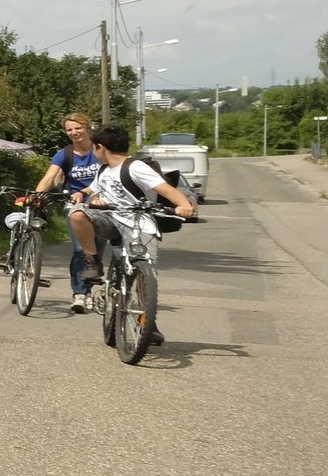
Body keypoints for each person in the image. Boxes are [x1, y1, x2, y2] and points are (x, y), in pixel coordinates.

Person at [66, 123, 198, 343]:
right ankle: (91, 260)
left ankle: (148, 323)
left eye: (94, 149)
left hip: (139, 223)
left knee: (142, 273)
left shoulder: (135, 167)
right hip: (110, 218)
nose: (93, 153)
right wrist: (81, 193)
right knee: (78, 215)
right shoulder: (104, 169)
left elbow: (166, 189)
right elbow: (95, 187)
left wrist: (185, 206)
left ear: (100, 147)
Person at [21, 112, 103, 312]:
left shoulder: (101, 150)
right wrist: (36, 195)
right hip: (75, 206)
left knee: (96, 252)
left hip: (101, 204)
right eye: (69, 130)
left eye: (78, 128)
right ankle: (80, 294)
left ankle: (90, 291)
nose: (74, 133)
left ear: (88, 128)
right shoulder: (64, 154)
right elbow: (49, 177)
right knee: (79, 250)